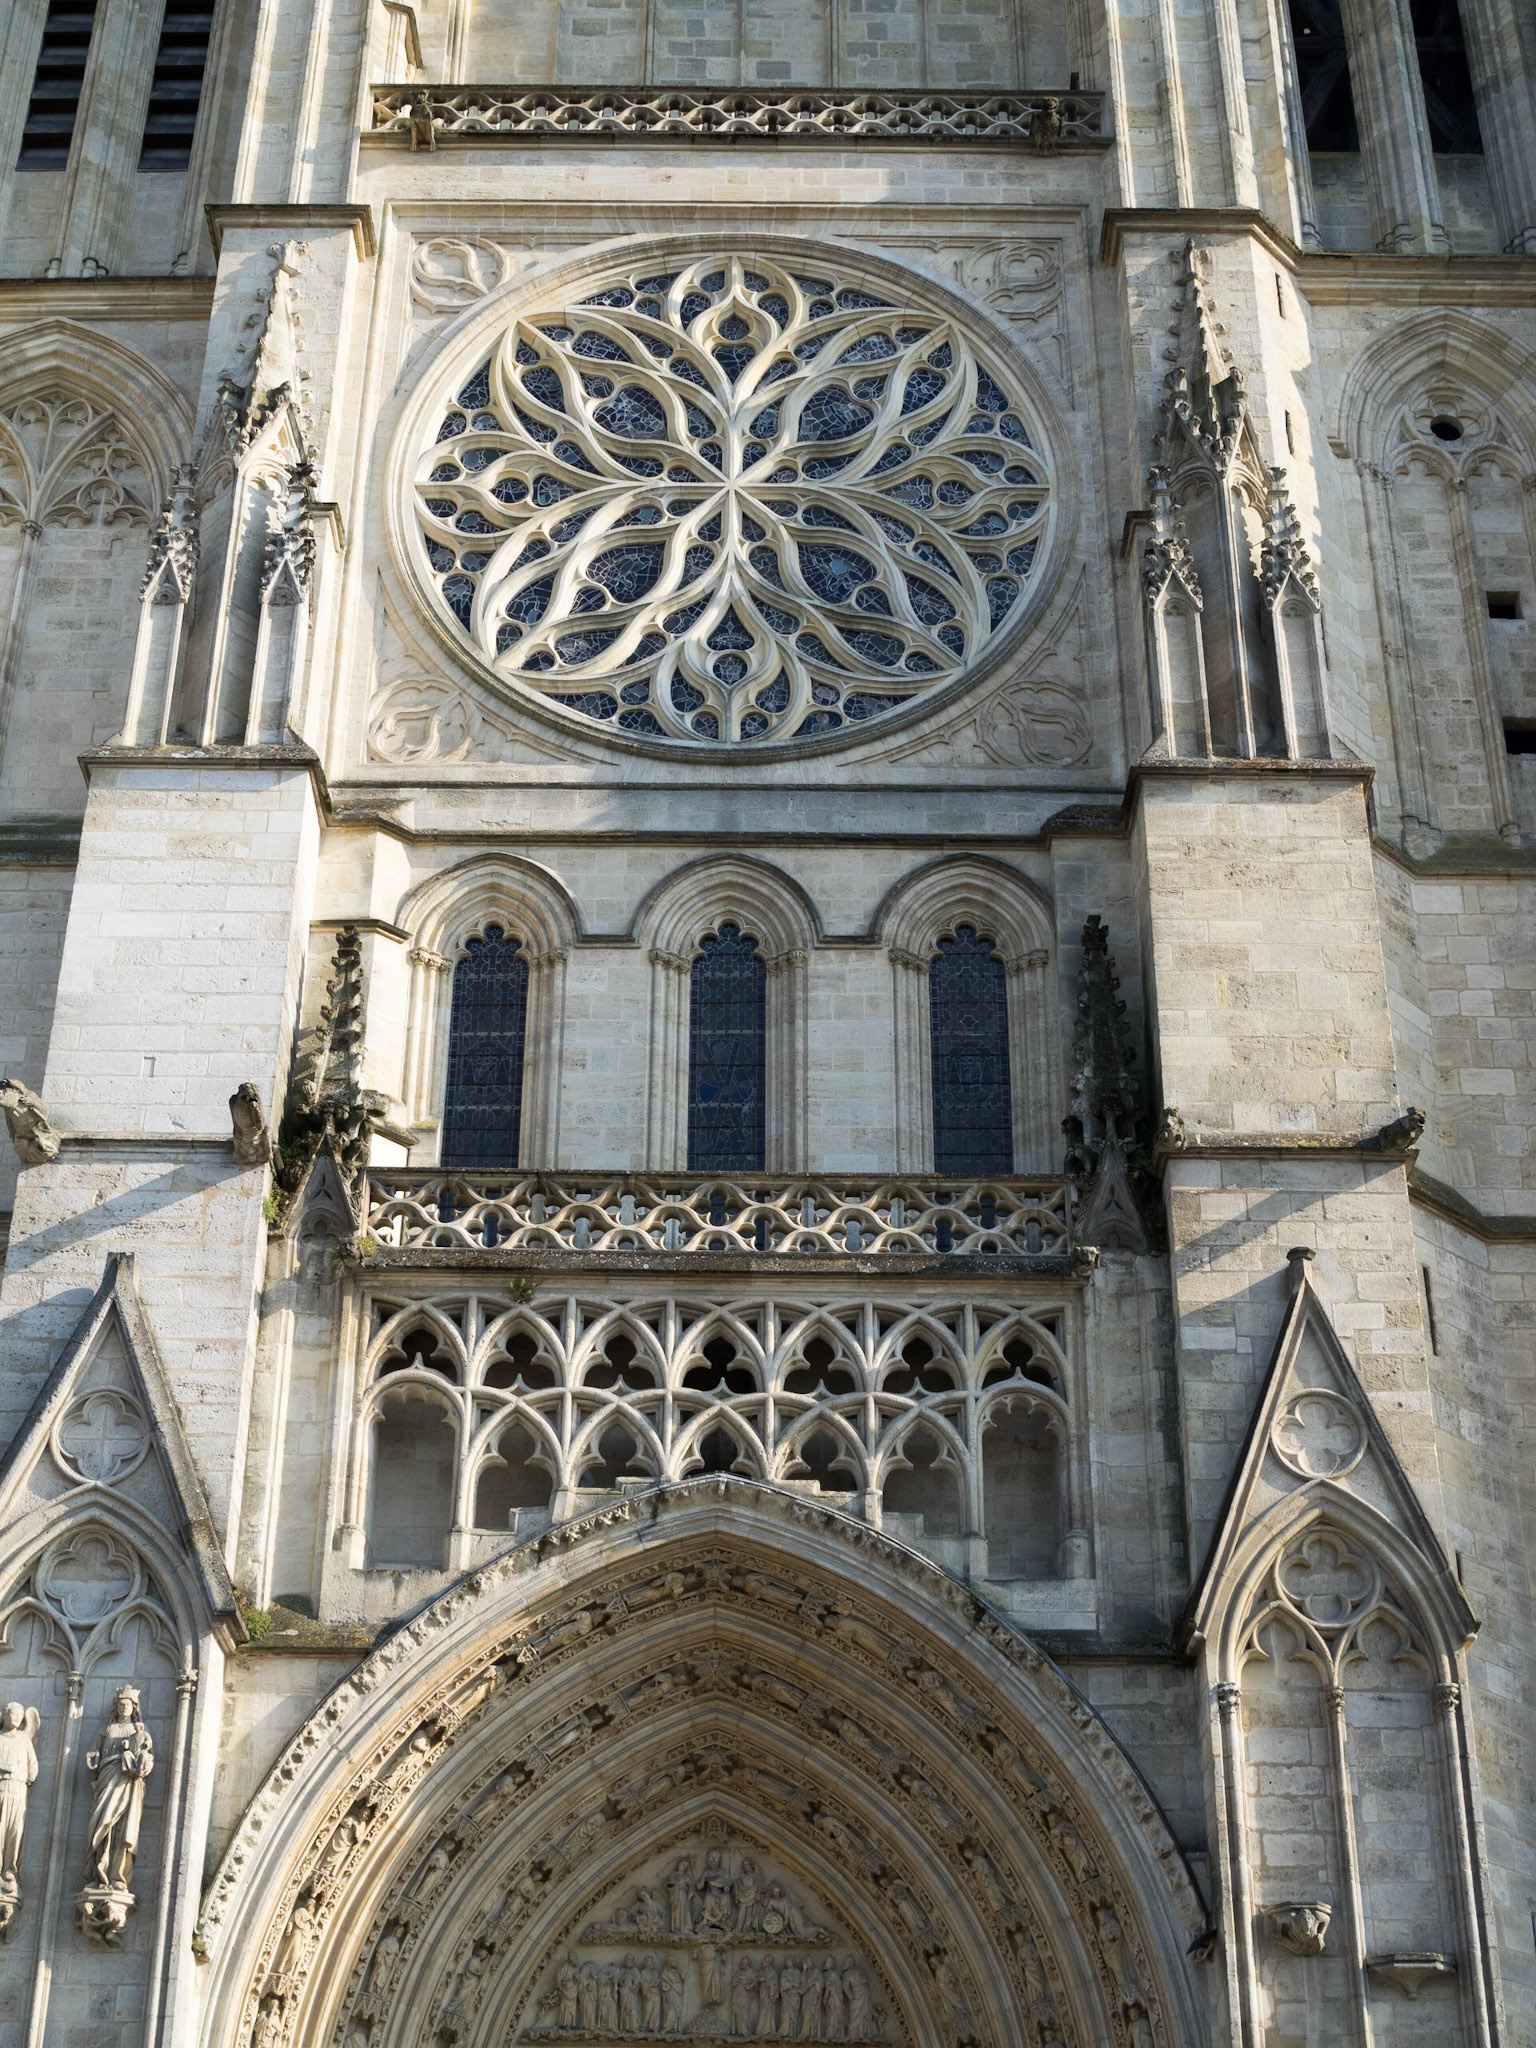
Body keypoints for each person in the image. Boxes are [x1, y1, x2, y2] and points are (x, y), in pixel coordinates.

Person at [84, 1686, 154, 1890]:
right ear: (116, 1707)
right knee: (100, 1825)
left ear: (134, 1708)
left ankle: (117, 1875)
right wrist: (93, 1758)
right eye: (121, 1704)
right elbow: (94, 1753)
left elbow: (147, 1758)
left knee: (122, 1828)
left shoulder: (139, 1731)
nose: (124, 1707)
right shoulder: (107, 1730)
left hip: (126, 1783)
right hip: (106, 1780)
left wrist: (139, 1759)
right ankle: (98, 1872)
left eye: (128, 1704)